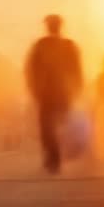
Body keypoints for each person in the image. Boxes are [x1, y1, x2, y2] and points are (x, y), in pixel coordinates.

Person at [25, 15, 82, 174]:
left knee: (51, 126)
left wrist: (33, 88)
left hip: (55, 93)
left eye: (52, 24)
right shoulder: (56, 45)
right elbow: (32, 69)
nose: (51, 27)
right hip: (52, 93)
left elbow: (76, 70)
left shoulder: (47, 45)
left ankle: (54, 156)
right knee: (49, 126)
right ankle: (53, 156)